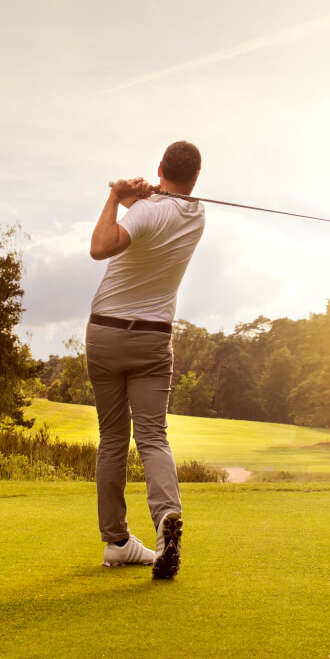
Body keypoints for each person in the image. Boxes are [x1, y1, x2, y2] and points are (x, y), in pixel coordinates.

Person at [86, 140, 205, 579]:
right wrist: (139, 196)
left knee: (114, 439)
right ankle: (166, 517)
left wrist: (116, 197)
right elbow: (159, 208)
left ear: (160, 167)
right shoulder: (197, 216)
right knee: (153, 437)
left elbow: (101, 247)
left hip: (106, 332)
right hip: (154, 339)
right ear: (196, 179)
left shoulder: (145, 211)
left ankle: (117, 542)